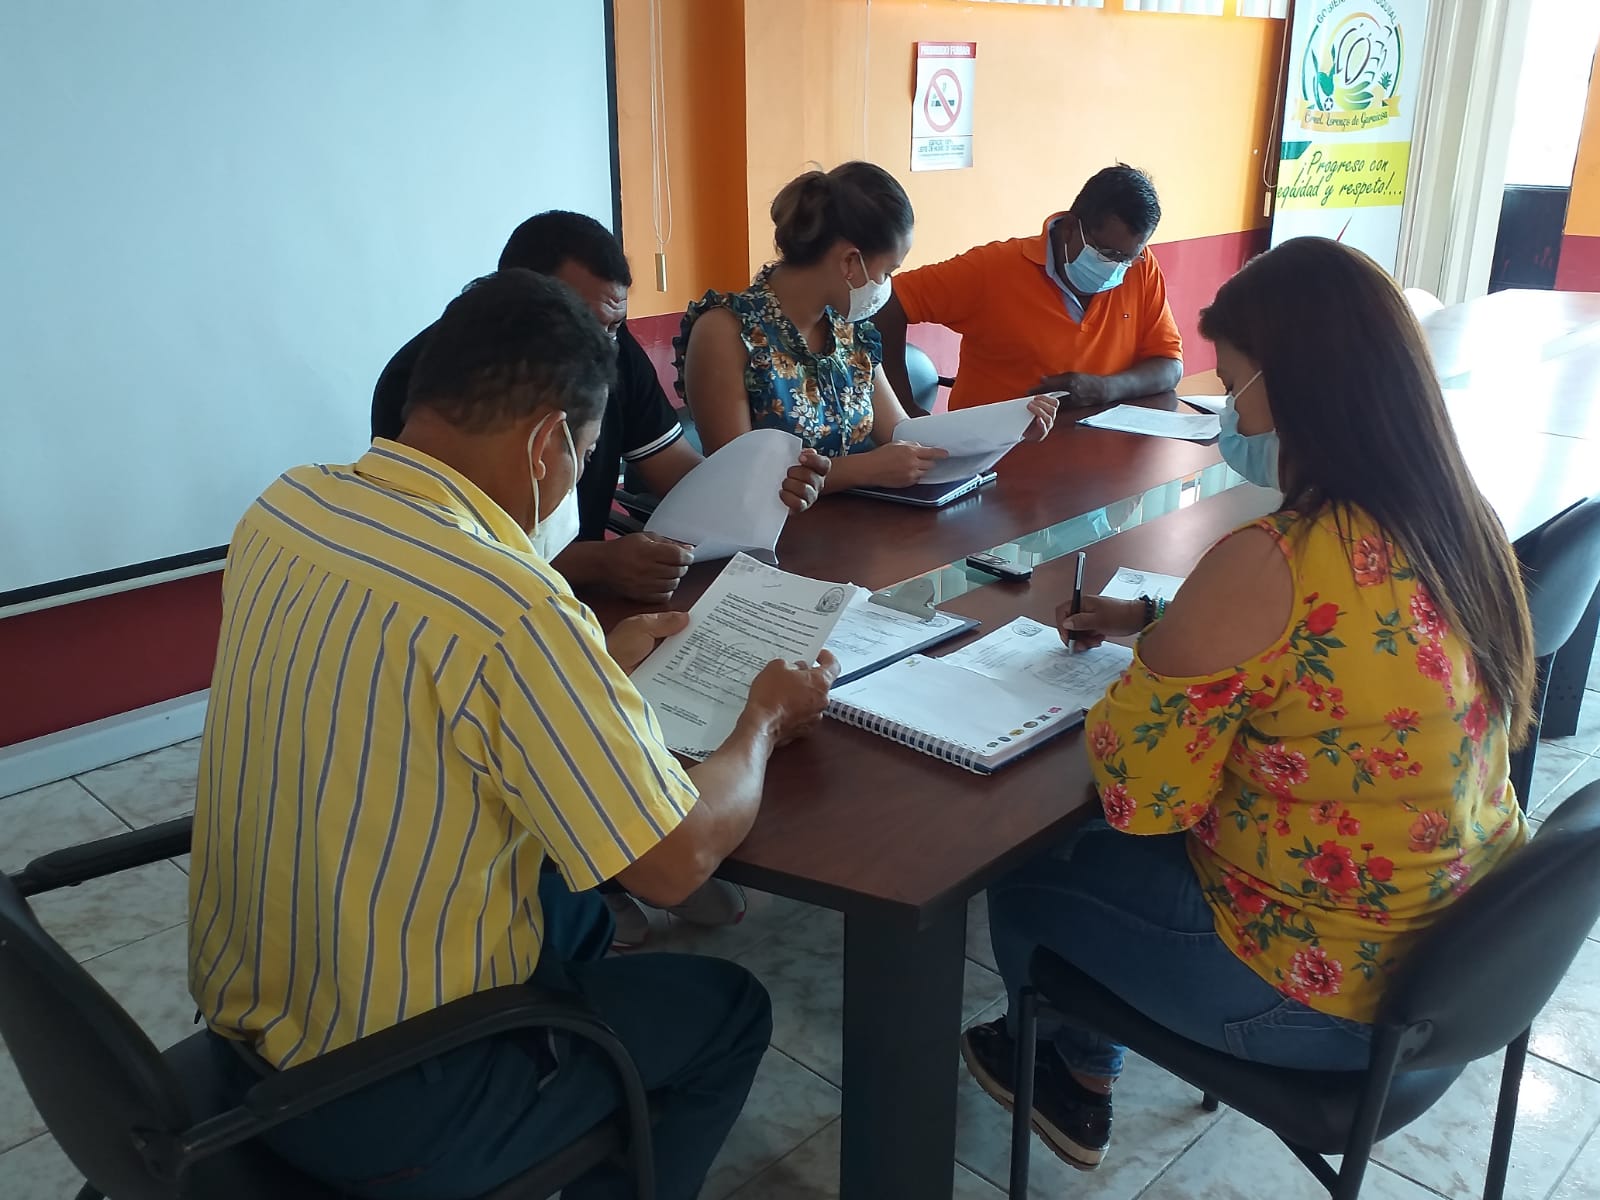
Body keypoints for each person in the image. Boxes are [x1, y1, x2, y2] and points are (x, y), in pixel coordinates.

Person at [191, 269, 841, 1200]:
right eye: (586, 452)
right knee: (728, 1012)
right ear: (547, 443)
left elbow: (404, 688)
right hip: (391, 1098)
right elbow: (677, 862)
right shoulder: (511, 603)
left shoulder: (288, 509)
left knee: (574, 910)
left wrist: (594, 664)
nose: (578, 475)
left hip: (249, 1031)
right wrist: (765, 721)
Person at [960, 238, 1535, 1172]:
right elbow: (1337, 653)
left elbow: (1143, 798)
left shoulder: (1276, 559)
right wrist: (1159, 622)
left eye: (1232, 385)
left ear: (1295, 388)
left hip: (1324, 1002)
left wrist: (1157, 668)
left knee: (1030, 874)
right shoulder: (1456, 521)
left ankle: (1070, 1072)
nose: (1225, 413)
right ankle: (1077, 1058)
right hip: (1461, 963)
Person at [372, 210, 830, 607]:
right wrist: (600, 562)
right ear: (523, 298)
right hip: (485, 599)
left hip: (587, 602)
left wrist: (763, 490)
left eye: (615, 325)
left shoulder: (612, 350)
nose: (602, 344)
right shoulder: (430, 375)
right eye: (586, 322)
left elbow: (676, 473)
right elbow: (440, 545)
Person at [676, 161, 1056, 488]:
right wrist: (862, 470)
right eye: (887, 271)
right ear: (849, 262)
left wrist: (1004, 428)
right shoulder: (726, 332)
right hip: (771, 539)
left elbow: (901, 433)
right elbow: (737, 479)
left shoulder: (849, 329)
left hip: (865, 525)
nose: (886, 286)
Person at [875, 164, 1184, 414]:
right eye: (1107, 253)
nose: (1117, 267)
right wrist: (904, 413)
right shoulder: (993, 269)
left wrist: (1105, 388)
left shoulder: (1141, 268)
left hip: (1098, 448)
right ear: (1070, 228)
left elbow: (1170, 366)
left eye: (1127, 257)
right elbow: (888, 301)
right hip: (996, 452)